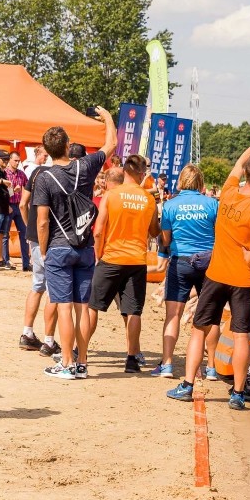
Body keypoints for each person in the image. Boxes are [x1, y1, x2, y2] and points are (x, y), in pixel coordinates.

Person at [167, 126, 250, 409]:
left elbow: (239, 163)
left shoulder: (226, 193)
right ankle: (237, 394)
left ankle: (187, 385)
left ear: (246, 175)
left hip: (216, 274)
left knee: (199, 330)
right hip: (244, 280)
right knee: (242, 336)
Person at [34, 106, 116, 380]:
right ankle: (82, 362)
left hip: (58, 246)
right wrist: (107, 118)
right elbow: (111, 145)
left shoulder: (44, 178)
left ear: (46, 151)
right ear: (69, 146)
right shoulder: (85, 166)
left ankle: (66, 363)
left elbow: (42, 221)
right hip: (84, 247)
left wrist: (44, 251)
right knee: (83, 308)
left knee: (64, 307)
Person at [88, 154, 159, 374]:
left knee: (93, 307)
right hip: (136, 260)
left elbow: (99, 230)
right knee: (133, 311)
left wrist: (98, 255)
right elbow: (154, 231)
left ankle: (78, 350)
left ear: (125, 171)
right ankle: (131, 358)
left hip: (111, 257)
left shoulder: (111, 195)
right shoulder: (148, 199)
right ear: (140, 173)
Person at [154, 164, 219, 378]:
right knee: (211, 317)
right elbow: (219, 234)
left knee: (173, 314)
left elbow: (165, 238)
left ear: (181, 181)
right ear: (200, 182)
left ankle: (168, 364)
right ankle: (211, 367)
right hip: (209, 262)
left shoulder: (171, 205)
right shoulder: (212, 204)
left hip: (180, 260)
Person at [17, 147, 60, 357]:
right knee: (53, 290)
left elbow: (23, 204)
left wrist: (28, 229)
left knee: (37, 285)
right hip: (51, 236)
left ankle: (27, 333)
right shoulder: (57, 174)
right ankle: (50, 340)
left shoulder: (34, 173)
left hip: (34, 234)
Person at [4, 151, 30, 271]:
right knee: (5, 234)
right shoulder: (4, 173)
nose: (17, 162)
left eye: (18, 160)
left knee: (24, 234)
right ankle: (5, 260)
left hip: (19, 205)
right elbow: (3, 193)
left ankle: (26, 263)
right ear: (9, 160)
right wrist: (14, 191)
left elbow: (29, 187)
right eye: (15, 160)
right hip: (8, 205)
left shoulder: (21, 174)